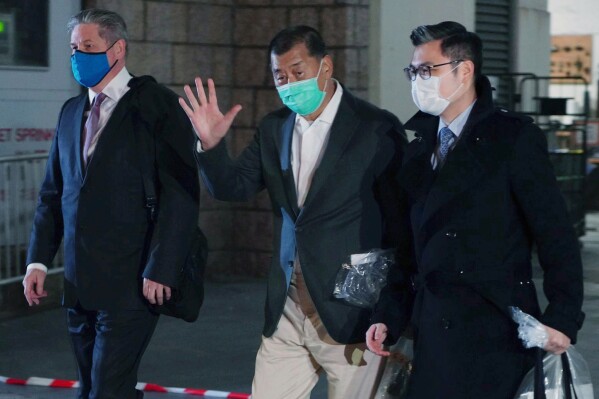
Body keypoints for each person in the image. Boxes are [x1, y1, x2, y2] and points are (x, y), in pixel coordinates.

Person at [179, 25, 413, 399]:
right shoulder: (275, 128)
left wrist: (391, 308)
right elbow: (232, 187)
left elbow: (400, 226)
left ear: (325, 67)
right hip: (287, 307)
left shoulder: (375, 129)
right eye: (279, 76)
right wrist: (210, 146)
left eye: (297, 72)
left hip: (353, 312)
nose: (288, 83)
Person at [366, 21, 585, 398]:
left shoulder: (512, 139)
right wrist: (388, 313)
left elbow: (556, 236)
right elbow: (407, 250)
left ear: (463, 70)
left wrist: (563, 317)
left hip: (495, 328)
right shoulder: (418, 150)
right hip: (432, 331)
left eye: (426, 70)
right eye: (413, 71)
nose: (417, 80)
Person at [22, 9, 200, 399]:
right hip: (79, 283)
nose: (77, 56)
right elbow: (53, 194)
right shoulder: (71, 112)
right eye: (74, 48)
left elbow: (181, 196)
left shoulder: (157, 105)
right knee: (93, 390)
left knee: (107, 391)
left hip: (133, 282)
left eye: (88, 47)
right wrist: (38, 260)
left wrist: (163, 267)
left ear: (118, 49)